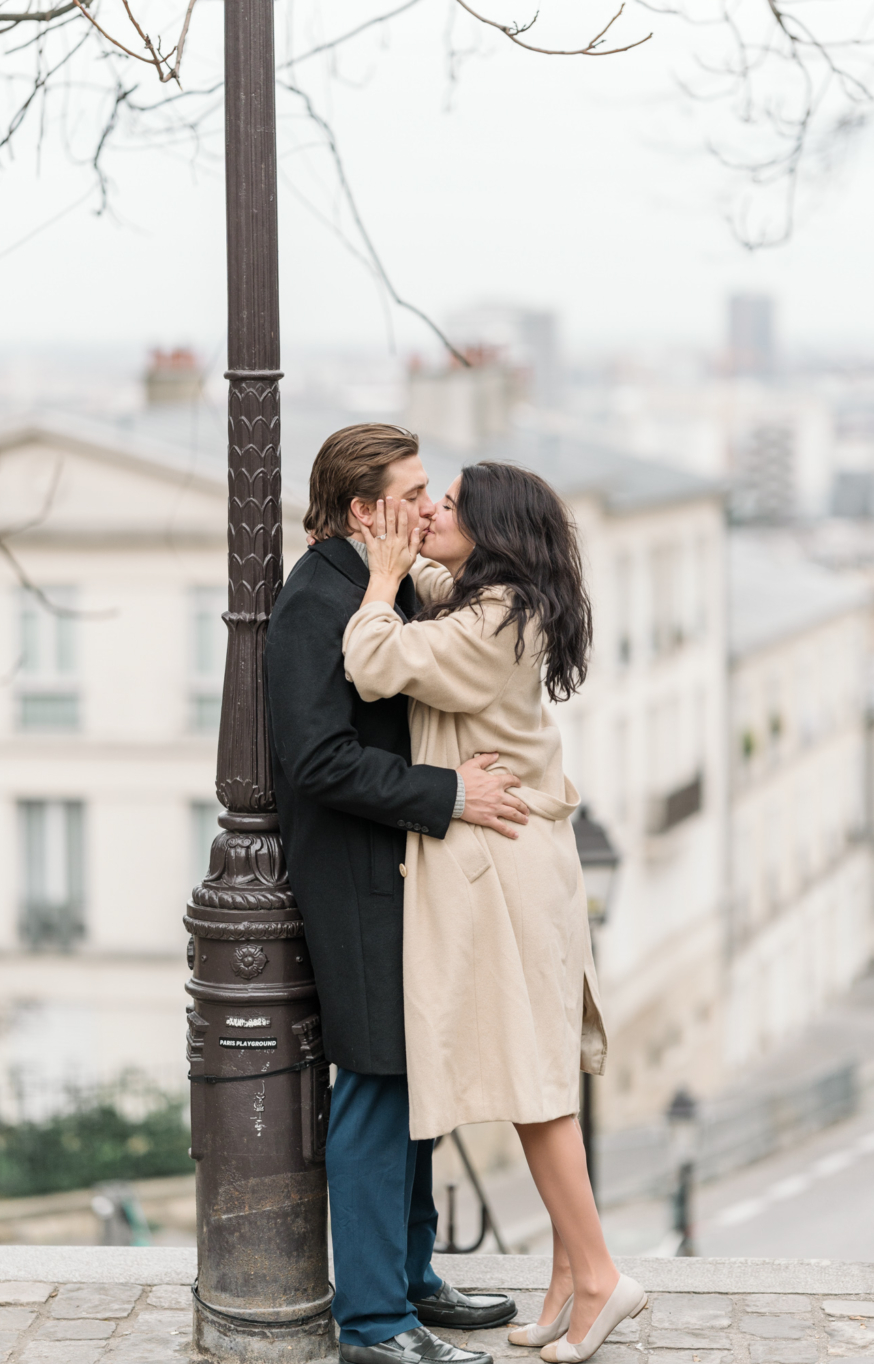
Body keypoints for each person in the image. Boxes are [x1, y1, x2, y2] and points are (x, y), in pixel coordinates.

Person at [341, 463, 648, 1364]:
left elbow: (373, 662)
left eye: (447, 503)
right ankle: (566, 1283)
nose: (430, 510)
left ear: (492, 531)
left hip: (504, 870)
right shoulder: (504, 600)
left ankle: (597, 1277)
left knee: (536, 1090)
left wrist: (379, 580)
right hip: (521, 863)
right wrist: (393, 545)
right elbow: (439, 584)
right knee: (534, 1082)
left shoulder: (491, 623)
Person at [265, 425, 524, 1364]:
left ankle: (411, 1281)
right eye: (413, 494)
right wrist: (452, 794)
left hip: (401, 872)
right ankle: (375, 1323)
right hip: (358, 882)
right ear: (363, 509)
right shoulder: (313, 602)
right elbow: (318, 759)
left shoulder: (390, 587)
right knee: (376, 1087)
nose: (428, 508)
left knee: (414, 1082)